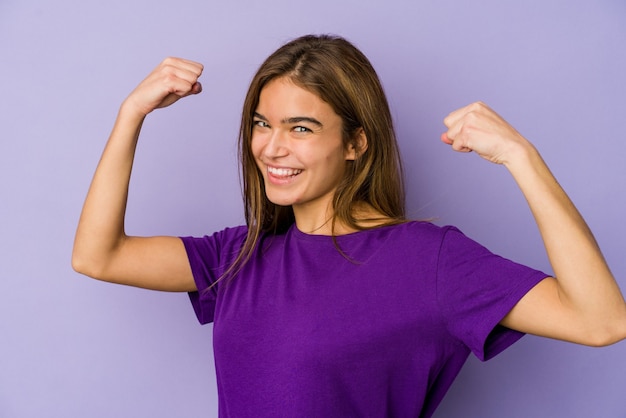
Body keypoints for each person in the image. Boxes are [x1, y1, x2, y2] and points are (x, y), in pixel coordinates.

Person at [72, 34, 626, 417]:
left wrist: (521, 157)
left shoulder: (427, 261)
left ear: (357, 143)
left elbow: (601, 321)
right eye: (262, 124)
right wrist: (131, 114)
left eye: (302, 127)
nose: (272, 147)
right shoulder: (239, 256)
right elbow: (98, 256)